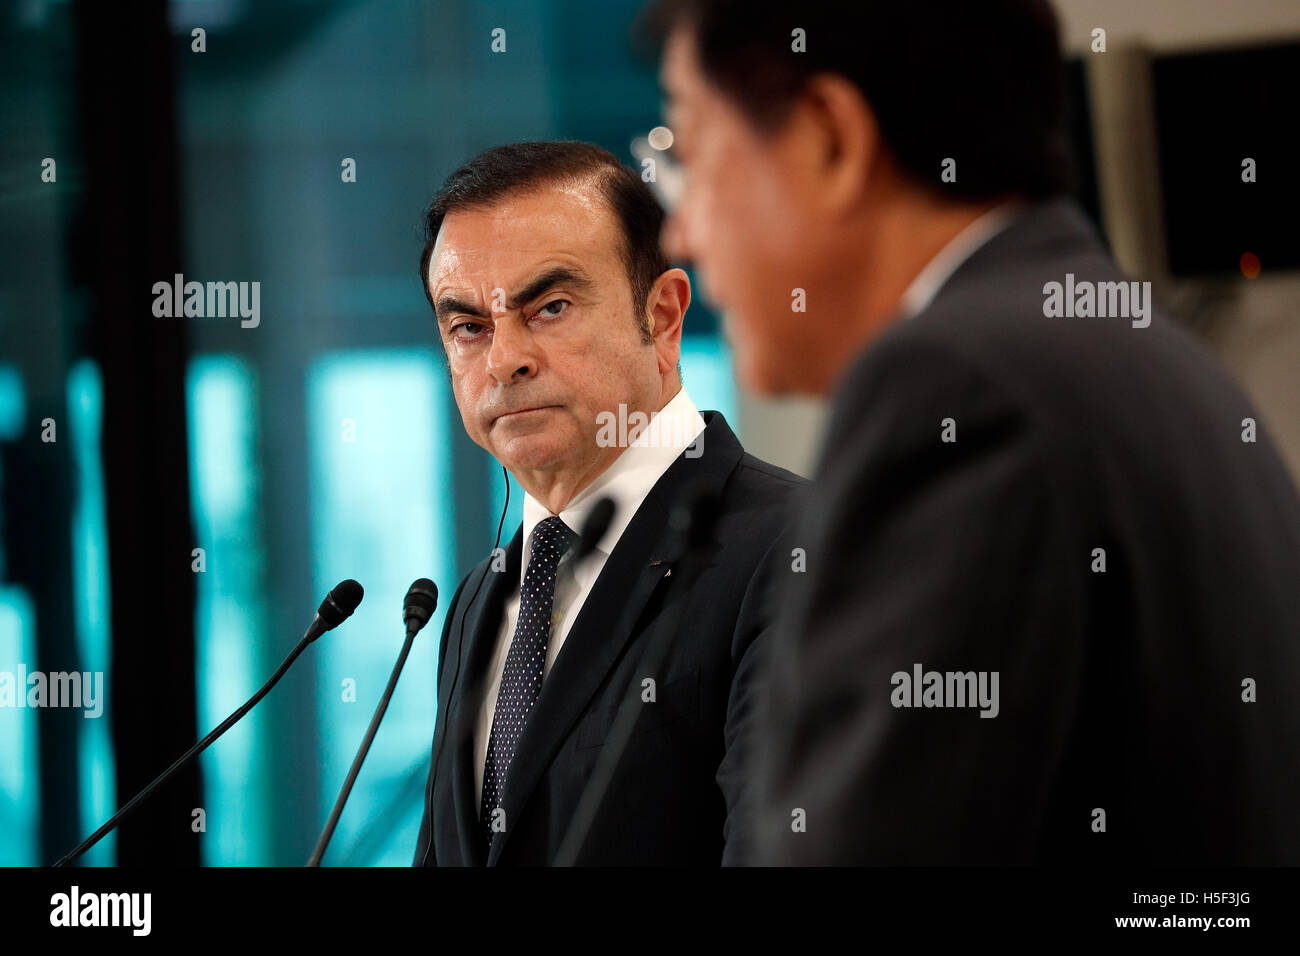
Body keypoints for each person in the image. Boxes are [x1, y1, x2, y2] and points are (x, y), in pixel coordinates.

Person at [647, 0, 1300, 863]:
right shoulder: (1134, 346)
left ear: (829, 137)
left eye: (688, 153)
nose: (680, 231)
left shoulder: (955, 390)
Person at [412, 141, 802, 865]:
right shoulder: (475, 602)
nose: (504, 360)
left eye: (550, 307)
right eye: (468, 326)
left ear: (663, 316)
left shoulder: (797, 550)